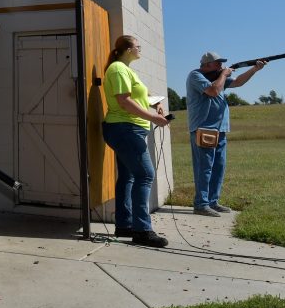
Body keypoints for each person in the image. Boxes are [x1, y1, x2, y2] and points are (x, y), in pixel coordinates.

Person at [101, 35, 171, 248]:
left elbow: (142, 94)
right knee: (145, 175)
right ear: (129, 49)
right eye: (138, 46)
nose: (140, 49)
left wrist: (156, 103)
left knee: (128, 177)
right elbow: (124, 101)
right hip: (125, 129)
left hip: (128, 130)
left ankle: (125, 225)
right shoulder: (118, 69)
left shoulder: (127, 70)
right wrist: (154, 118)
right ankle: (142, 230)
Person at [185, 51, 266, 217]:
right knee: (204, 168)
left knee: (218, 168)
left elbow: (237, 82)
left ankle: (212, 202)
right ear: (207, 65)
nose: (221, 66)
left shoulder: (218, 76)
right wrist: (223, 74)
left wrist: (254, 70)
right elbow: (213, 91)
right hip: (204, 128)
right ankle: (201, 204)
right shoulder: (195, 75)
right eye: (218, 63)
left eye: (222, 64)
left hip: (220, 129)